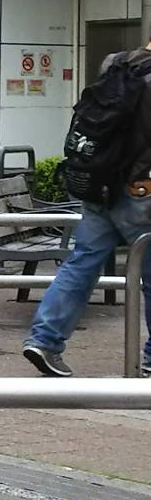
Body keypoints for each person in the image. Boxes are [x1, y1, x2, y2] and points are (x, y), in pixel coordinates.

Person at [23, 39, 151, 378]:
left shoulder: (115, 63)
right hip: (140, 192)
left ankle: (45, 340)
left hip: (98, 184)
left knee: (81, 263)